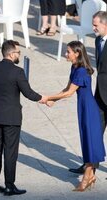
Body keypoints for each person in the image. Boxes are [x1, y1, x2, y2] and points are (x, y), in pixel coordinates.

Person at [41, 41, 106, 191]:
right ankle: (90, 176)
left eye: (68, 51)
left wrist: (48, 97)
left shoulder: (82, 71)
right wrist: (54, 100)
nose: (66, 54)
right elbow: (66, 88)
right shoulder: (74, 67)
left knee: (90, 143)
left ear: (77, 53)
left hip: (89, 110)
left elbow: (69, 93)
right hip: (83, 108)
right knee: (86, 141)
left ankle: (86, 179)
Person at [0, 40, 43, 196]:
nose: (19, 55)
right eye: (18, 52)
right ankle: (9, 186)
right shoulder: (18, 72)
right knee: (10, 152)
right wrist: (44, 99)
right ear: (11, 54)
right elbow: (29, 93)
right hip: (12, 118)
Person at [69, 11, 107, 175]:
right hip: (100, 94)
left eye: (95, 25)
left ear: (105, 25)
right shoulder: (98, 40)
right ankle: (90, 165)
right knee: (94, 131)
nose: (93, 28)